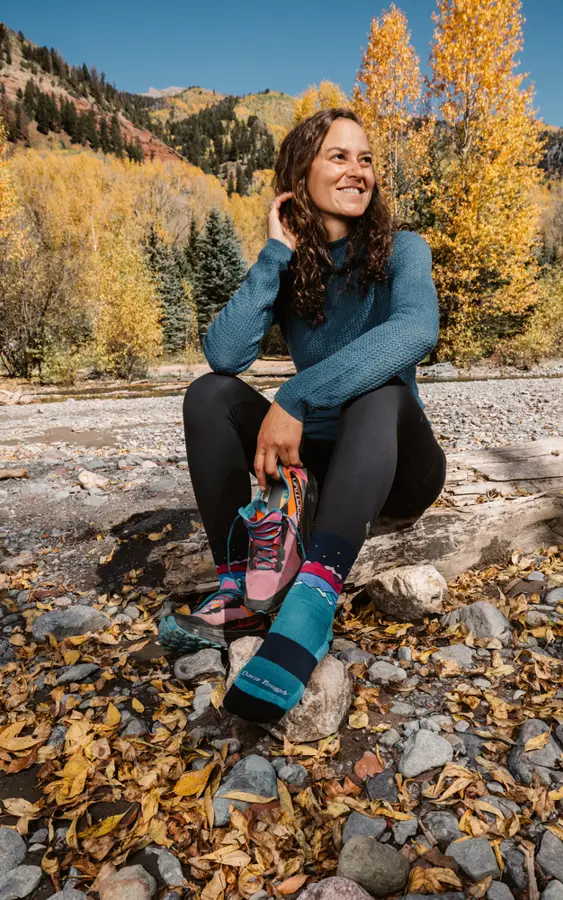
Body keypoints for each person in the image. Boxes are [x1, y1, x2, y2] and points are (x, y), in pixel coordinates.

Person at [159, 107, 447, 724]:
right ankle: (238, 591)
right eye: (339, 157)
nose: (358, 171)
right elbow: (226, 354)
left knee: (381, 390)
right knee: (207, 394)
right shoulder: (292, 266)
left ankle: (312, 608)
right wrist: (272, 254)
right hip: (318, 466)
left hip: (398, 464)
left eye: (365, 159)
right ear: (301, 175)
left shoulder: (405, 250)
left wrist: (295, 395)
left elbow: (418, 329)